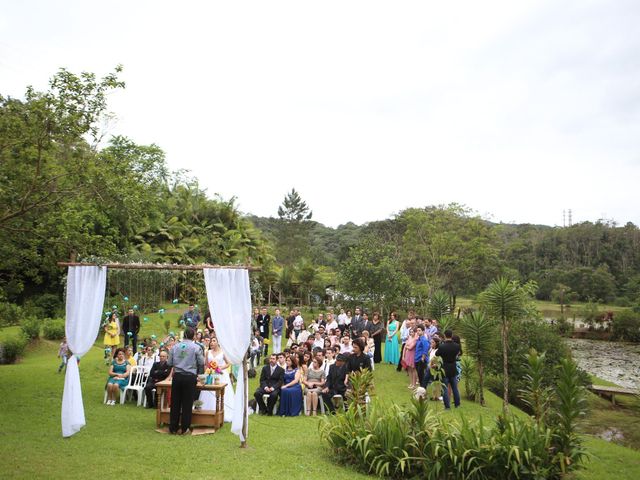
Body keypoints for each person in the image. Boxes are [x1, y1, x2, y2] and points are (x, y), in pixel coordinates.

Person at [167, 327, 205, 435]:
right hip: (189, 376)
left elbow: (169, 363)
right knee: (187, 403)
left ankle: (173, 427)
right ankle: (185, 428)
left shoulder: (175, 347)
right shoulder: (196, 347)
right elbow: (201, 362)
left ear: (184, 335)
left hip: (177, 376)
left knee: (175, 402)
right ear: (193, 336)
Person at [200, 337, 235, 422]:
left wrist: (220, 368)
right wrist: (206, 373)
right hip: (210, 374)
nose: (211, 343)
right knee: (209, 392)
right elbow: (206, 364)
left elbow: (228, 363)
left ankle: (223, 411)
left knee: (221, 392)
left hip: (220, 375)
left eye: (214, 341)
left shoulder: (223, 352)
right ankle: (207, 410)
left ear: (218, 342)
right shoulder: (207, 352)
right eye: (211, 341)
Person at [436, 330, 462, 409]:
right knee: (455, 388)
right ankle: (457, 404)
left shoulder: (442, 346)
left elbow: (437, 354)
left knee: (445, 388)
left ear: (444, 335)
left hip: (445, 367)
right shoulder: (457, 346)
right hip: (453, 368)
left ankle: (447, 406)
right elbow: (458, 353)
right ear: (451, 335)